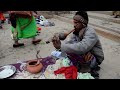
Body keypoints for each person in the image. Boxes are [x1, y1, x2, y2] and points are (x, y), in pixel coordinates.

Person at [52, 11, 104, 78]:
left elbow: (83, 47)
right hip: (85, 51)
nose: (74, 25)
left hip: (94, 56)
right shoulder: (77, 30)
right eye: (74, 22)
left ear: (83, 23)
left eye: (76, 23)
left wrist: (62, 46)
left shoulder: (91, 32)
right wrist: (59, 48)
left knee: (84, 55)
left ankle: (92, 68)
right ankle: (81, 64)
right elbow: (71, 43)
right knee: (70, 51)